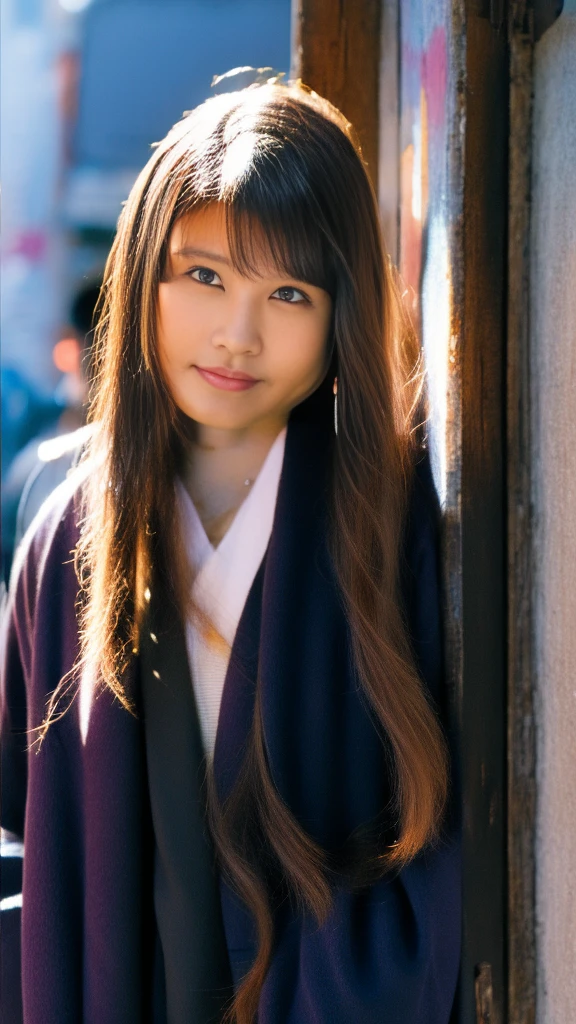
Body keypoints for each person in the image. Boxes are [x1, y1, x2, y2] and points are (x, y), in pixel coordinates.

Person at [0, 79, 461, 1024]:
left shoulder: (390, 519)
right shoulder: (66, 542)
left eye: (288, 292)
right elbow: (21, 823)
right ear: (144, 280)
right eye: (203, 276)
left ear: (342, 316)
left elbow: (448, 834)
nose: (237, 336)